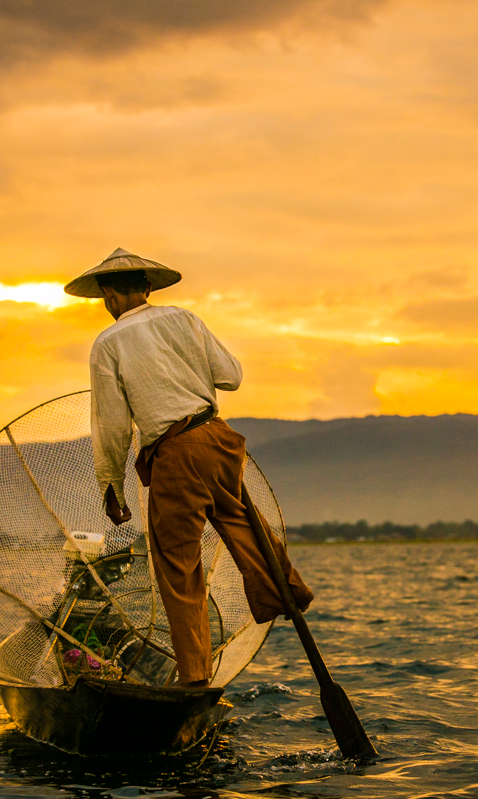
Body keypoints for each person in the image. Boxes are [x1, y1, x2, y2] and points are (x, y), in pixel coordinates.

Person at [64, 248, 314, 687]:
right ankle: (286, 591)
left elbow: (112, 422)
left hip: (175, 452)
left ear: (107, 295)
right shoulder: (185, 319)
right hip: (218, 437)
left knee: (178, 567)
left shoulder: (109, 342)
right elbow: (231, 376)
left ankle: (194, 677)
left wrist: (112, 486)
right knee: (241, 523)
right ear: (147, 289)